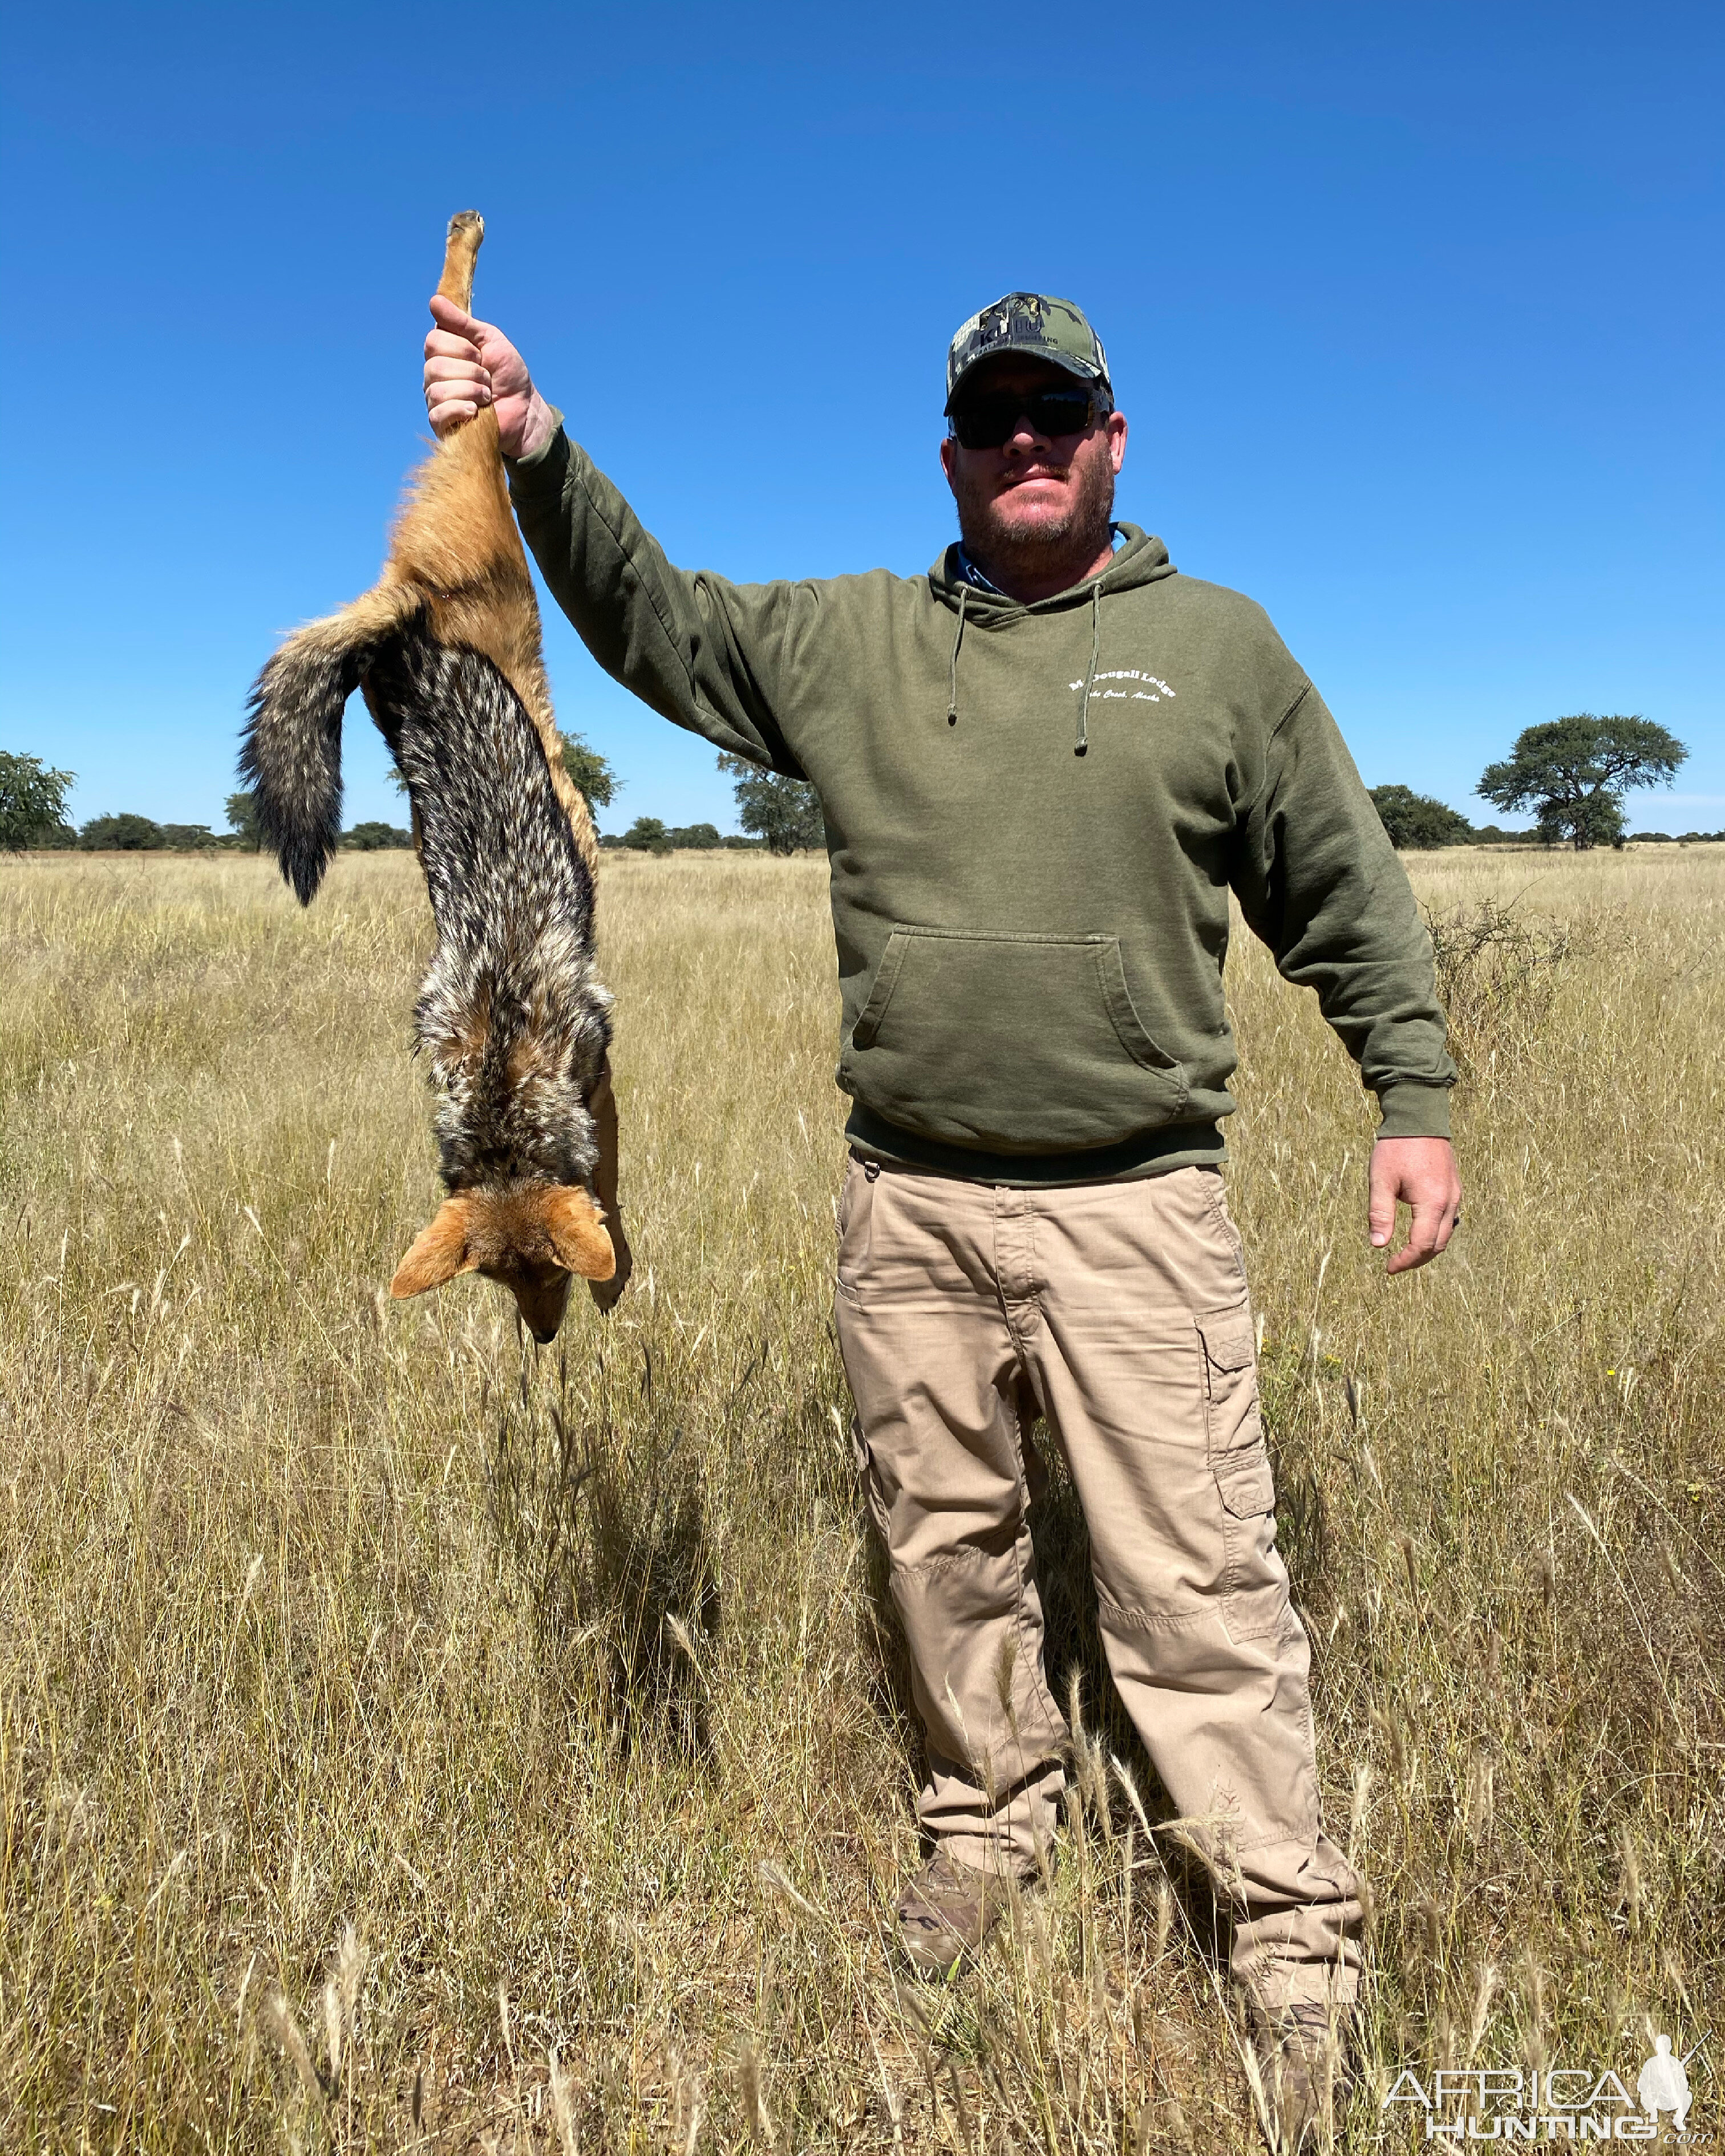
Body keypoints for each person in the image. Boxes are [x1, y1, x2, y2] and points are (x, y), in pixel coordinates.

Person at [425, 287, 1461, 2146]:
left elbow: (1344, 887)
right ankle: (988, 1830)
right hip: (906, 1197)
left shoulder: (1218, 650)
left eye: (1058, 412)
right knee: (941, 1548)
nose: (1028, 443)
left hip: (1137, 1203)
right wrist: (537, 449)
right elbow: (662, 625)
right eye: (993, 419)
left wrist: (1415, 1095)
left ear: (1116, 435)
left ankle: (1286, 1935)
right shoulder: (857, 645)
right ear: (952, 455)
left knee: (1194, 1581)